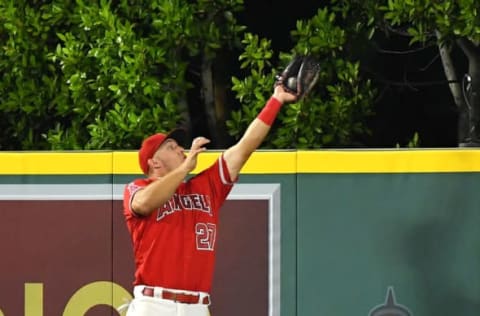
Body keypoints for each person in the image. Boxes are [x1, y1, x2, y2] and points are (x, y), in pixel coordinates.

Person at [122, 82, 297, 316]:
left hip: (198, 306)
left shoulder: (205, 187)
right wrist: (185, 168)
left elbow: (244, 148)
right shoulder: (138, 187)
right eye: (171, 147)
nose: (180, 149)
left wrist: (276, 100)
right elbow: (143, 204)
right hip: (154, 304)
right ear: (154, 162)